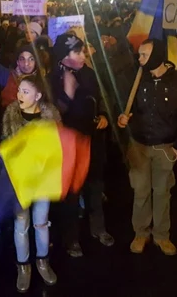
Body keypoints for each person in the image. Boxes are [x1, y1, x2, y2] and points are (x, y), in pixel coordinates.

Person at [117, 39, 177, 256]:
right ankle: (141, 233)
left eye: (144, 55)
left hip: (165, 148)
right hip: (138, 146)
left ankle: (161, 235)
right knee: (140, 192)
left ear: (157, 56)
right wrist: (123, 119)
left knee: (162, 193)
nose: (139, 59)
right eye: (139, 55)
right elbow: (125, 107)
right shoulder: (137, 77)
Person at [50, 32, 114, 257]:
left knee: (95, 187)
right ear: (63, 57)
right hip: (69, 147)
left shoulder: (89, 73)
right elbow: (53, 115)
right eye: (77, 52)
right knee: (72, 193)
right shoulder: (53, 78)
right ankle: (72, 239)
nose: (83, 55)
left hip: (93, 141)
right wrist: (67, 94)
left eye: (82, 50)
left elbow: (103, 98)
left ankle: (99, 229)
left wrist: (104, 114)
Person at [0, 75, 61, 292]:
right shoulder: (10, 114)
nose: (20, 95)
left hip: (44, 179)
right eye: (20, 90)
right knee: (21, 223)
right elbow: (6, 144)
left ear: (38, 95)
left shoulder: (51, 115)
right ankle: (23, 266)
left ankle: (42, 261)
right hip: (21, 179)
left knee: (41, 222)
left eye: (26, 91)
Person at [0, 19, 42, 108]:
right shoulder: (8, 77)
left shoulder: (43, 80)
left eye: (31, 59)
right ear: (17, 62)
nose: (26, 63)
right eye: (22, 59)